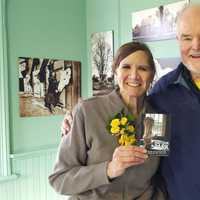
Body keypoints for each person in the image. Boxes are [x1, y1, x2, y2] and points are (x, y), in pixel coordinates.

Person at [49, 42, 166, 199]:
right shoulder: (87, 111)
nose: (134, 75)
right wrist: (109, 169)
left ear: (151, 75)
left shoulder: (157, 118)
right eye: (126, 67)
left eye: (143, 68)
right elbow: (59, 179)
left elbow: (157, 176)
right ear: (115, 71)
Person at [148, 4, 200, 200]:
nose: (196, 45)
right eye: (187, 37)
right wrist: (81, 120)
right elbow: (151, 154)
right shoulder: (162, 92)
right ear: (178, 40)